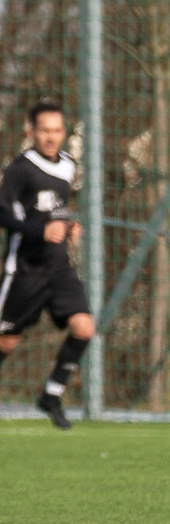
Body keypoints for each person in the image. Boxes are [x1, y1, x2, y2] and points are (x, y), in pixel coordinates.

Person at [0, 102, 94, 431]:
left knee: (84, 328)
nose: (51, 137)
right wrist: (40, 232)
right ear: (31, 132)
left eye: (56, 130)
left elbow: (56, 209)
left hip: (59, 268)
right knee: (7, 342)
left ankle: (51, 395)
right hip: (25, 269)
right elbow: (3, 215)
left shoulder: (68, 165)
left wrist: (69, 226)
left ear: (64, 133)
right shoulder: (20, 169)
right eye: (44, 130)